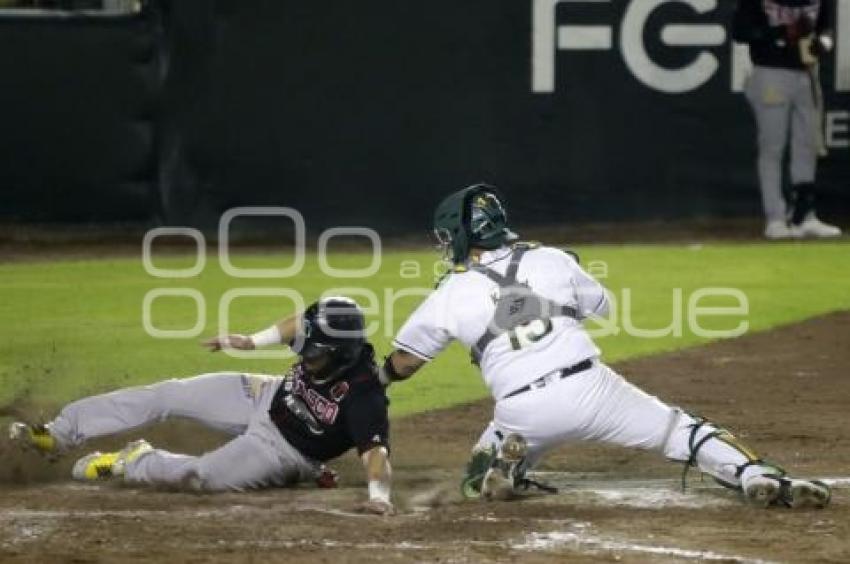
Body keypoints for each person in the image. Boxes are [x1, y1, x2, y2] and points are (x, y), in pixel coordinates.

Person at [377, 183, 831, 508]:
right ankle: (758, 475)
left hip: (520, 410)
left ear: (460, 235)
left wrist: (380, 377)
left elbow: (406, 363)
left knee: (475, 482)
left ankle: (504, 468)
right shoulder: (551, 257)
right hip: (590, 389)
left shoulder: (448, 292)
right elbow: (603, 308)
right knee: (680, 431)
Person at [9, 297, 395, 515]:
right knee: (167, 393)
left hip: (283, 451)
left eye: (312, 354)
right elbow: (298, 323)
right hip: (266, 394)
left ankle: (134, 460)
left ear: (340, 356)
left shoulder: (364, 397)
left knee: (202, 477)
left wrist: (379, 498)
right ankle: (57, 434)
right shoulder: (327, 337)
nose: (304, 355)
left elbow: (375, 454)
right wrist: (250, 341)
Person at [733, 0, 842, 239]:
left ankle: (804, 215)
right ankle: (775, 218)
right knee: (773, 146)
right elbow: (740, 31)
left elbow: (827, 29)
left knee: (807, 144)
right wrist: (781, 31)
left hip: (807, 72)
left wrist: (822, 44)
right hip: (770, 71)